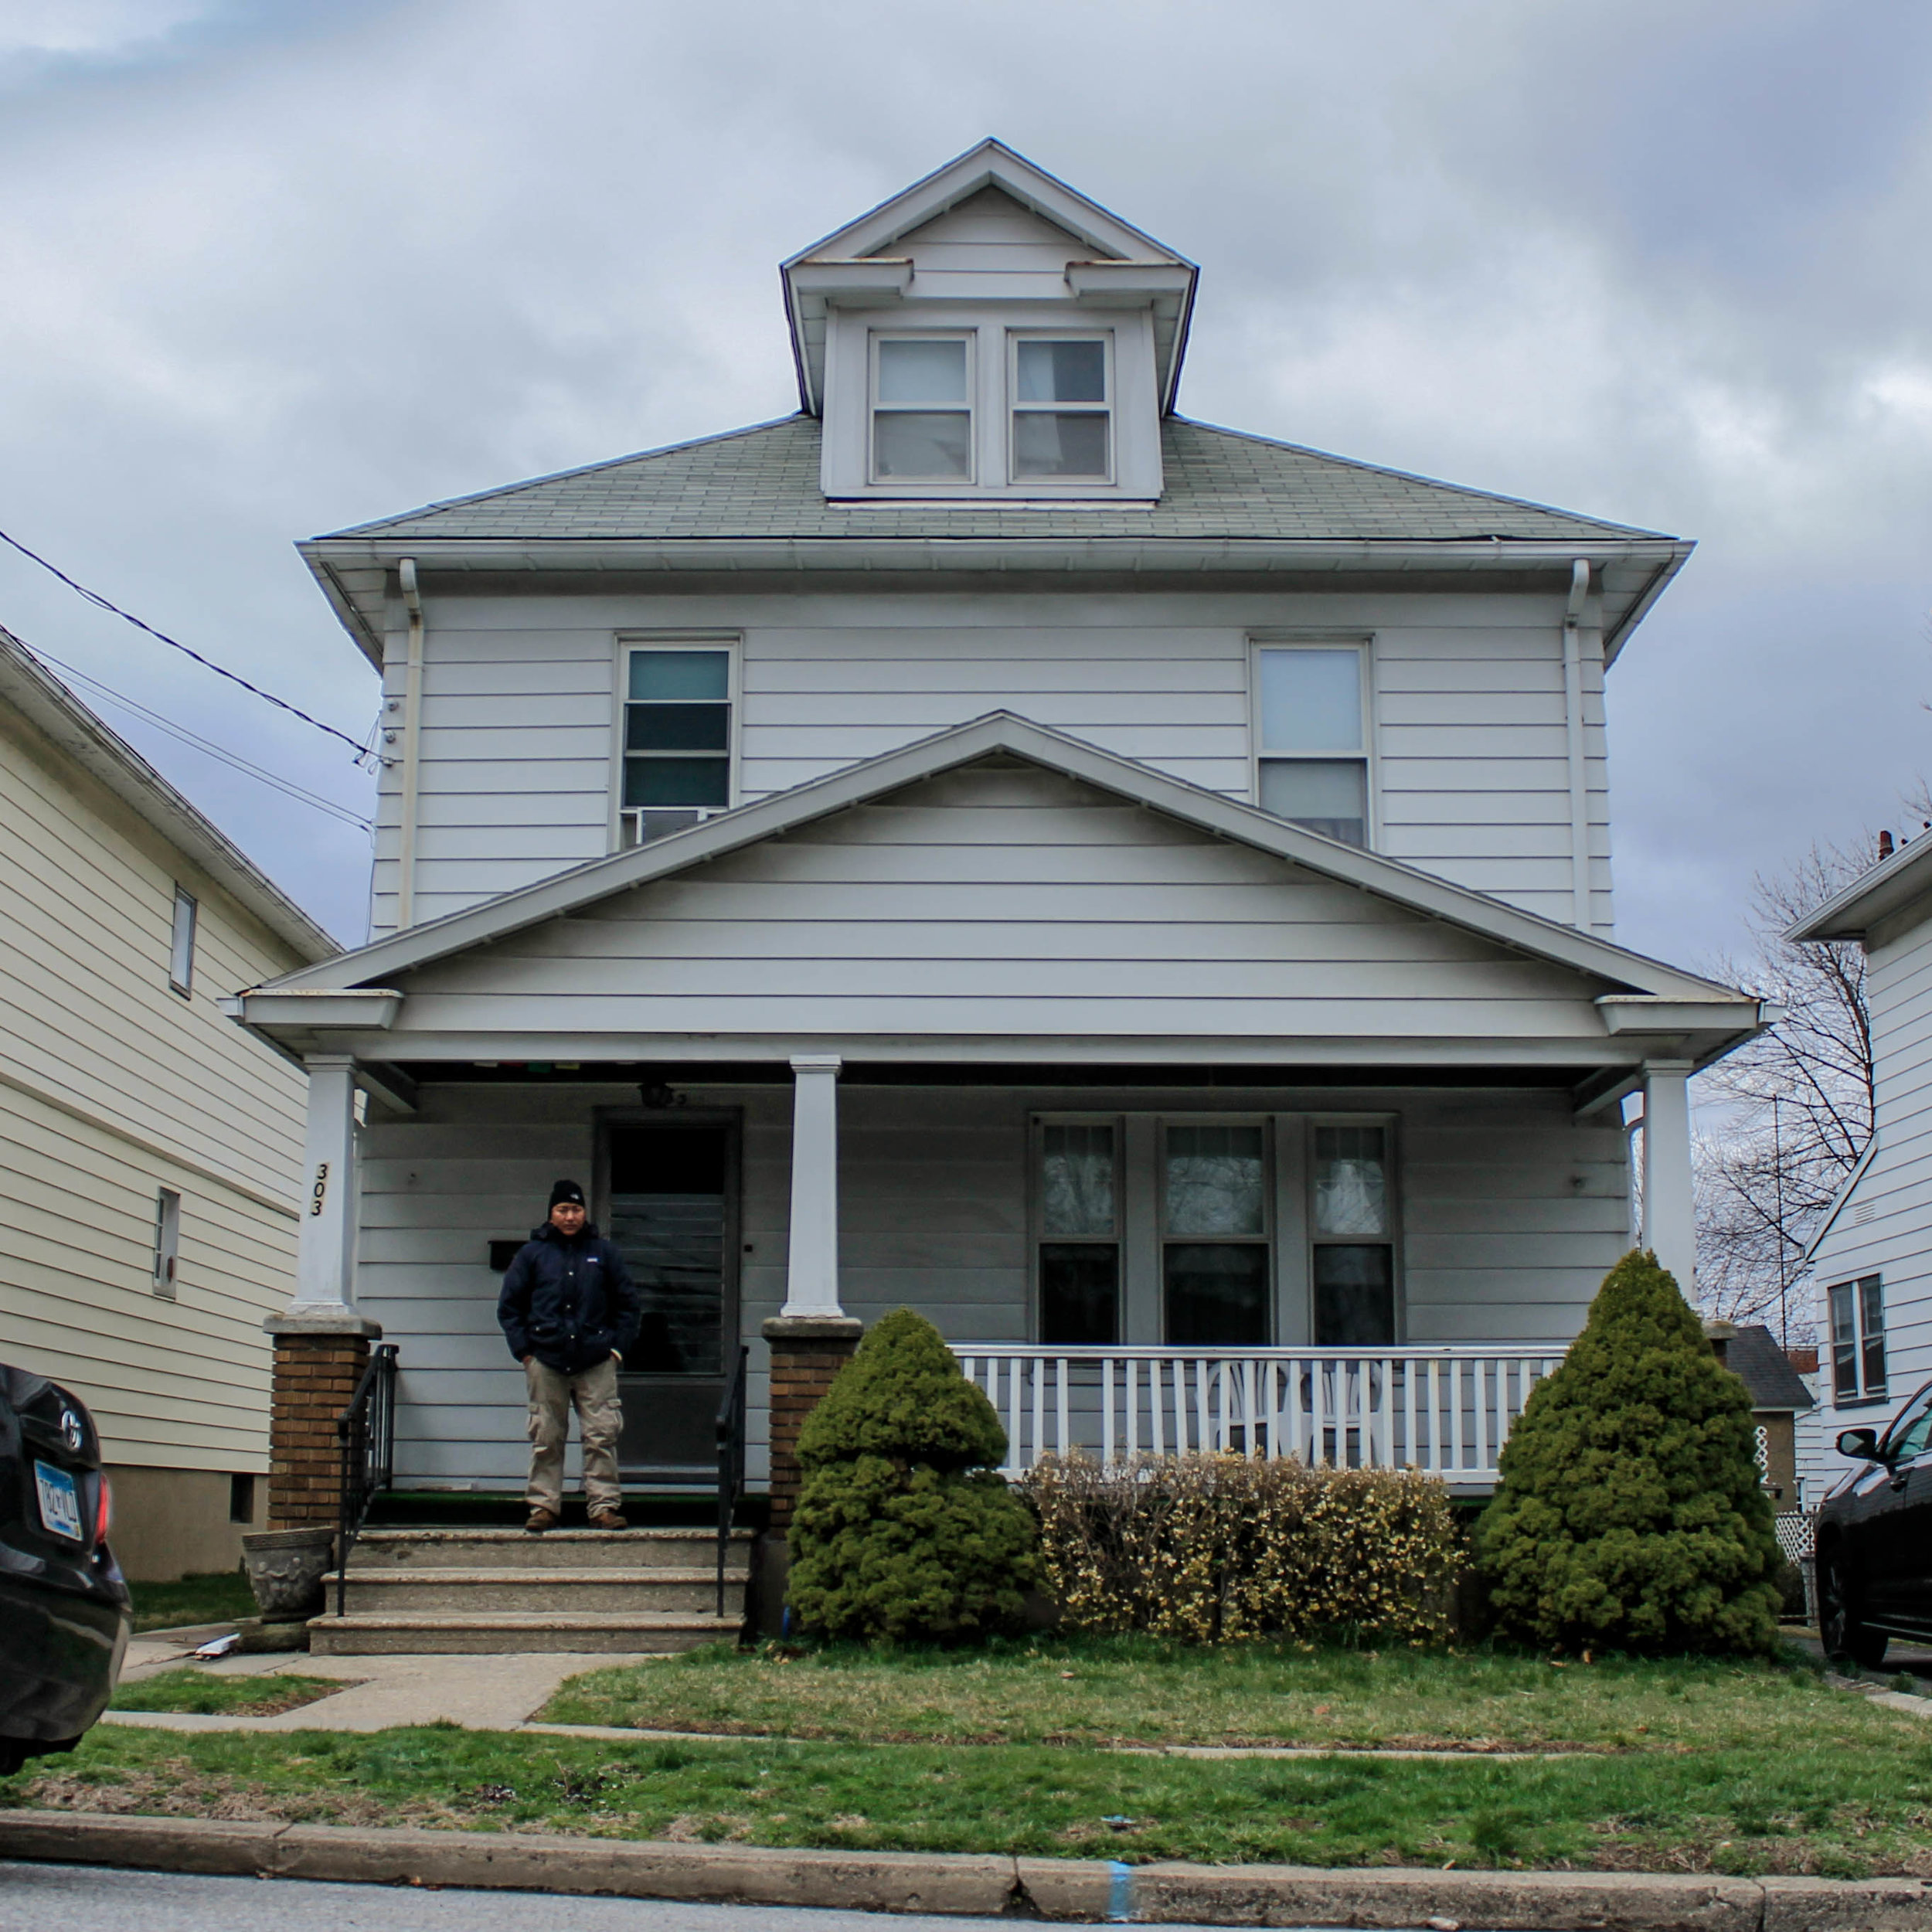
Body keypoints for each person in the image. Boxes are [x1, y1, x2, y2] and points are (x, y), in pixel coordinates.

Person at [496, 1179, 641, 1532]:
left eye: (576, 1209)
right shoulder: (532, 1255)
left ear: (584, 1213)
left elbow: (629, 1307)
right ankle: (543, 1507)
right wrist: (525, 1352)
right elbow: (509, 1308)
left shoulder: (604, 1253)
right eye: (563, 1209)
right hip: (545, 1361)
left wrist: (617, 1351)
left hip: (596, 1360)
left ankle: (604, 1507)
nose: (570, 1216)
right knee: (546, 1436)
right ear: (551, 1214)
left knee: (601, 1436)